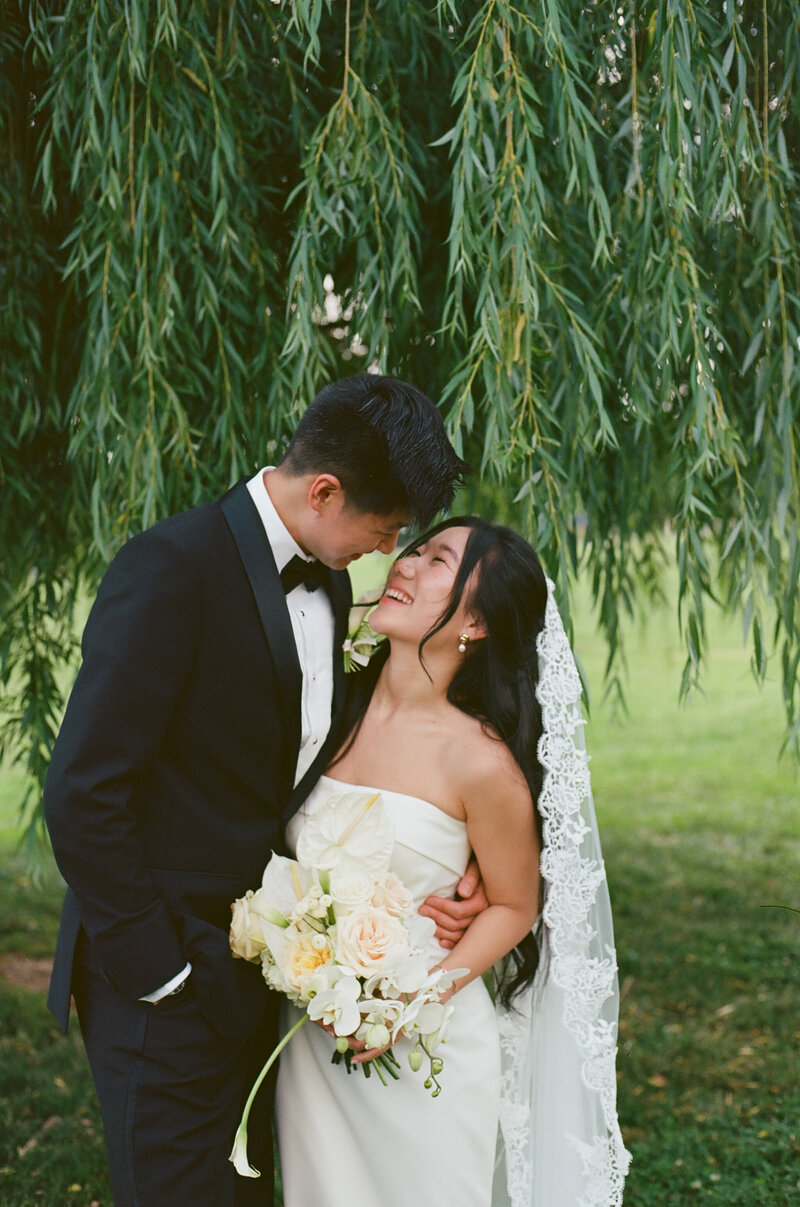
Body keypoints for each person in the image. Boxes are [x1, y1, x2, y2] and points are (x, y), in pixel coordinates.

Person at [43, 372, 473, 1207]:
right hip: (160, 980)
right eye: (384, 532)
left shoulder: (330, 580)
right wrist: (162, 974)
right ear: (324, 490)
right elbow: (83, 790)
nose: (384, 555)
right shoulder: (170, 567)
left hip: (261, 975)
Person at [275, 517, 631, 1206]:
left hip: (424, 1053)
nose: (404, 566)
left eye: (437, 560)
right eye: (415, 550)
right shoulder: (330, 704)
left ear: (477, 623)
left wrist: (408, 1003)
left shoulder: (480, 760)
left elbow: (516, 905)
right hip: (310, 1041)